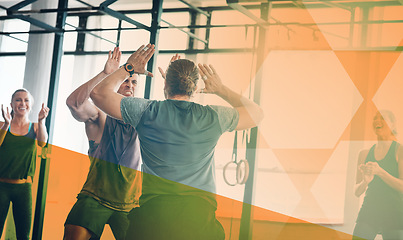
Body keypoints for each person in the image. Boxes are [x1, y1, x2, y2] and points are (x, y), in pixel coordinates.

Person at [90, 44, 264, 240]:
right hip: (198, 219)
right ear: (195, 88)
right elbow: (257, 114)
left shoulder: (146, 111)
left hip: (153, 218)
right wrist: (220, 89)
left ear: (165, 85)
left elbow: (98, 94)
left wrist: (129, 67)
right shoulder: (213, 117)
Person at [64, 47, 142, 240]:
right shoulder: (101, 116)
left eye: (133, 82)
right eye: (124, 80)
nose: (129, 85)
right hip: (95, 197)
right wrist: (105, 74)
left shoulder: (143, 119)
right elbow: (74, 103)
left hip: (129, 203)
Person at [0, 89, 49, 240]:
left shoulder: (35, 127)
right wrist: (6, 124)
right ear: (11, 104)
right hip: (1, 187)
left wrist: (41, 121)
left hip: (23, 188)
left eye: (26, 100)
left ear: (31, 105)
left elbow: (42, 143)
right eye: (18, 100)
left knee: (23, 235)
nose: (22, 103)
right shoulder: (2, 125)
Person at [353, 111, 403, 240]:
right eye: (375, 118)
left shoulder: (400, 151)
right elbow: (356, 192)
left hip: (394, 212)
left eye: (382, 118)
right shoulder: (364, 154)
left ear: (393, 125)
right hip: (369, 212)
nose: (377, 121)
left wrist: (380, 172)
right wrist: (365, 182)